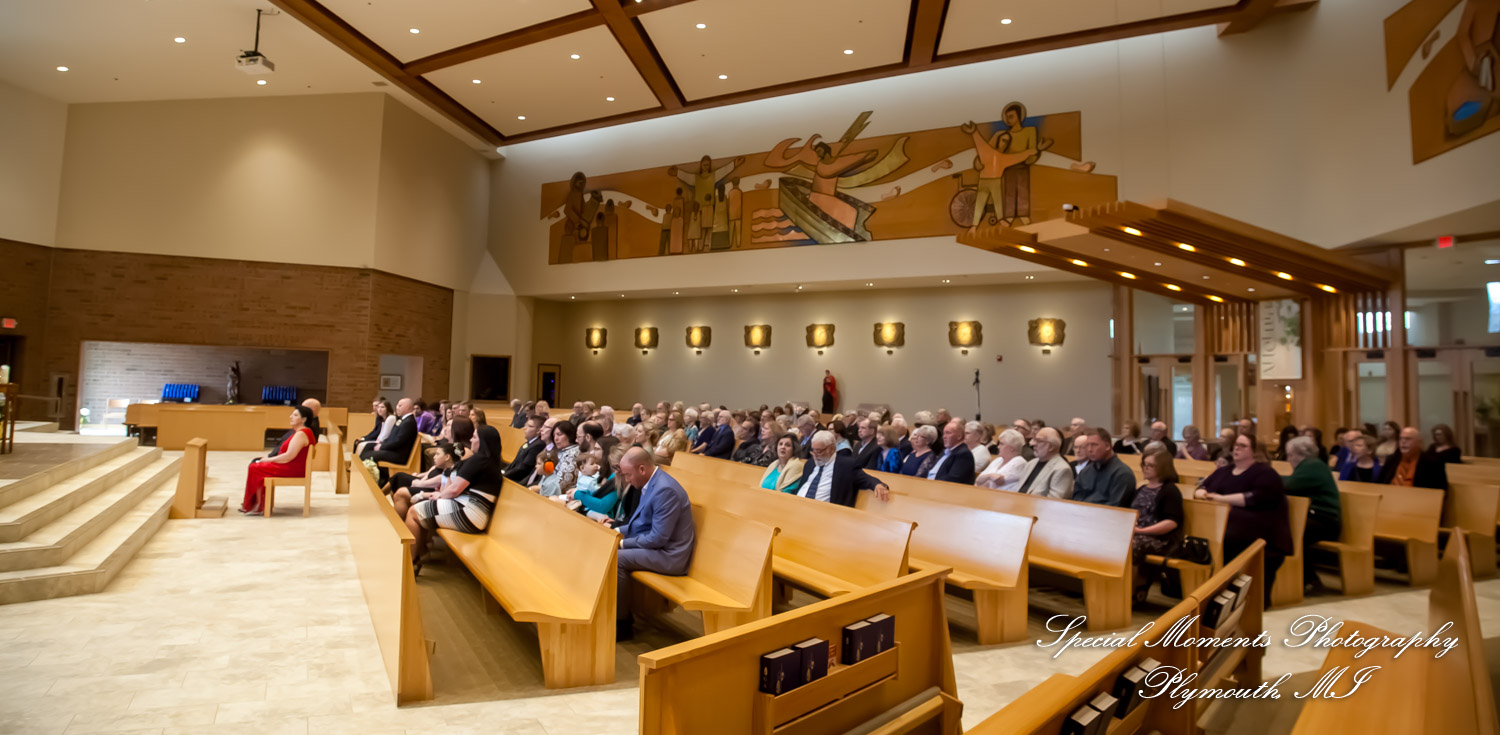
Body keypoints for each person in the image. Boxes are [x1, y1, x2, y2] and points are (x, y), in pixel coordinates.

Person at [1196, 433, 1292, 605]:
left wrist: (1219, 498)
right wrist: (1201, 493)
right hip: (1229, 525)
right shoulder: (1224, 471)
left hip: (1262, 533)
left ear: (1254, 451)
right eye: (1236, 445)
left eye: (1243, 445)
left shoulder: (1266, 474)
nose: (1237, 448)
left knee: (1229, 531)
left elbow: (1253, 498)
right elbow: (1203, 486)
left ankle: (1227, 594)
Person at [613, 447, 696, 640]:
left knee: (617, 559)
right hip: (659, 548)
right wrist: (616, 532)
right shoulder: (652, 483)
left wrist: (622, 544)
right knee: (609, 548)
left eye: (628, 475)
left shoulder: (664, 489)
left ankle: (622, 624)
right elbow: (641, 524)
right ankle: (612, 612)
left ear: (642, 469)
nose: (627, 480)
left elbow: (658, 538)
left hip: (671, 555)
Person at [1281, 436, 1342, 593]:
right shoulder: (1310, 465)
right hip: (1315, 518)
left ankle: (1311, 580)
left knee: (1294, 532)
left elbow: (1290, 484)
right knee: (1290, 529)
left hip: (1325, 522)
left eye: (1290, 455)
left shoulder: (1313, 466)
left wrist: (1267, 478)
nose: (1288, 460)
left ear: (1300, 454)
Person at [1130, 449, 1185, 601]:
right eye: (1144, 464)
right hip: (1138, 534)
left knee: (1132, 545)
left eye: (1151, 465)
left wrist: (1141, 531)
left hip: (1163, 540)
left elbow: (1171, 523)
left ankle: (1129, 592)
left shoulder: (1170, 491)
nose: (1145, 468)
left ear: (1162, 468)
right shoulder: (1142, 488)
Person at [240, 405, 315, 514]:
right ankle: (257, 504)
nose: (291, 417)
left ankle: (257, 506)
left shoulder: (301, 434)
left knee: (255, 467)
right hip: (292, 466)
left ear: (303, 419)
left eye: (295, 415)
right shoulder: (301, 432)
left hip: (292, 468)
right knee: (256, 464)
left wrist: (268, 460)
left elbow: (289, 456)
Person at [787, 431, 891, 507]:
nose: (815, 455)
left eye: (819, 451)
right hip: (799, 506)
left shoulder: (846, 465)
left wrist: (877, 485)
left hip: (827, 514)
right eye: (813, 451)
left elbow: (866, 479)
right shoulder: (810, 464)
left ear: (831, 448)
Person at [392, 437, 465, 522]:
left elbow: (444, 495)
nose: (434, 457)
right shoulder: (446, 471)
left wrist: (422, 494)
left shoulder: (454, 473)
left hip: (448, 505)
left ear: (447, 457)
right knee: (401, 487)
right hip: (440, 499)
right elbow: (441, 491)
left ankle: (399, 527)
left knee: (410, 504)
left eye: (438, 454)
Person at [1074, 428, 1137, 507]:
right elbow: (1076, 499)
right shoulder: (1086, 471)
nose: (1089, 450)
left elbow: (1116, 507)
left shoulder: (1123, 474)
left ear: (1107, 446)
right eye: (1087, 445)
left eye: (1094, 445)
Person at [365, 398, 419, 484]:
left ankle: (369, 481)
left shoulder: (409, 422)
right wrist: (382, 444)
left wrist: (382, 447)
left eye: (400, 405)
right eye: (397, 405)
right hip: (394, 451)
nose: (397, 407)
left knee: (368, 455)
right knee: (367, 448)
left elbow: (398, 441)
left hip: (399, 455)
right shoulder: (403, 420)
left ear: (408, 407)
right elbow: (392, 437)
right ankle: (379, 480)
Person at [1377, 426, 1449, 489]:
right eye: (1401, 439)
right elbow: (1379, 484)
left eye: (1408, 439)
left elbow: (1440, 492)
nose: (1403, 441)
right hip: (1389, 498)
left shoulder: (1433, 463)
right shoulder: (1392, 459)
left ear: (1419, 442)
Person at [1016, 427, 1074, 499]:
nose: (1033, 444)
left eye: (1038, 441)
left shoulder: (1062, 469)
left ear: (1051, 447)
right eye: (1034, 440)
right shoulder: (1030, 464)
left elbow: (1055, 502)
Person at [532, 420, 579, 497]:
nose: (556, 439)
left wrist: (539, 489)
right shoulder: (559, 451)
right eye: (554, 436)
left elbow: (561, 484)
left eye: (559, 435)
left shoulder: (573, 453)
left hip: (561, 497)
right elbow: (546, 475)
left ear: (570, 435)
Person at [925, 419, 977, 483]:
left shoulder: (963, 454)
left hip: (945, 489)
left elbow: (953, 478)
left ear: (959, 436)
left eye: (948, 433)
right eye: (944, 433)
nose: (944, 437)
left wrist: (931, 484)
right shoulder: (944, 452)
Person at [503, 415, 547, 482]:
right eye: (526, 425)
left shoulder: (538, 445)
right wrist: (503, 471)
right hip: (512, 475)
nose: (525, 428)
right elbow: (515, 462)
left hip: (518, 479)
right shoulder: (530, 442)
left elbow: (523, 469)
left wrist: (503, 475)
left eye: (529, 426)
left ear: (538, 430)